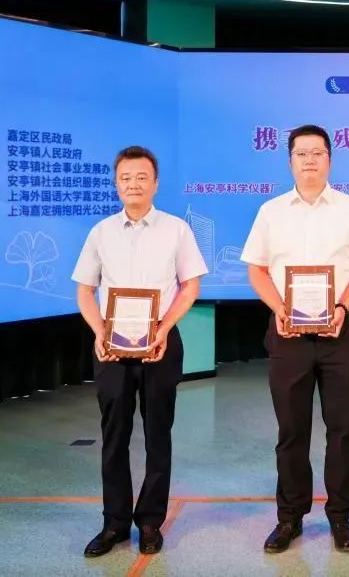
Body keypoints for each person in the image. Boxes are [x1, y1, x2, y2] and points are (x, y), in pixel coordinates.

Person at [241, 124, 349, 554]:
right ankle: (290, 517)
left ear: (329, 159)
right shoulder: (271, 211)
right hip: (288, 334)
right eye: (301, 154)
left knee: (341, 430)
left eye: (317, 153)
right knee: (291, 431)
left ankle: (340, 517)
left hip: (340, 331)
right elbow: (257, 270)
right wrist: (279, 309)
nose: (309, 161)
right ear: (290, 161)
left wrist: (341, 307)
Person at [73, 145, 207, 557]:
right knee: (113, 436)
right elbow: (85, 290)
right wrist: (99, 331)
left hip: (160, 344)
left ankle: (150, 521)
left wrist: (163, 328)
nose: (133, 184)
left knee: (157, 434)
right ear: (117, 184)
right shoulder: (101, 232)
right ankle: (113, 522)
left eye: (142, 177)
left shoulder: (176, 230)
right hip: (112, 348)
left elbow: (190, 286)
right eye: (126, 178)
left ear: (155, 183)